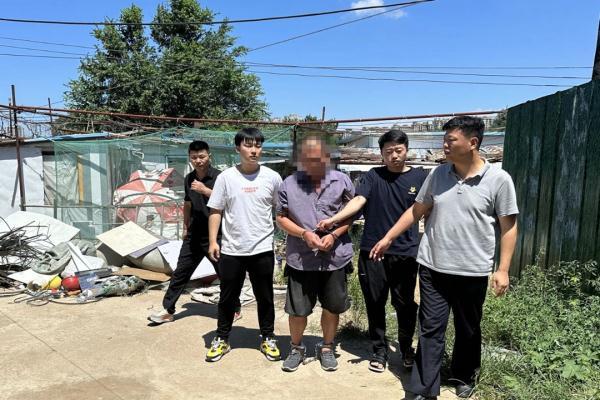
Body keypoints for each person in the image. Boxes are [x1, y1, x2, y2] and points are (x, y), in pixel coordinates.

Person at [370, 116, 518, 400]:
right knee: (430, 328)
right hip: (433, 267)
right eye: (444, 139)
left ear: (472, 143)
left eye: (451, 140)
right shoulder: (438, 175)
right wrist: (389, 237)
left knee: (468, 328)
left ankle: (463, 375)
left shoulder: (499, 180)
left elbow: (509, 227)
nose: (444, 145)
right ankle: (424, 389)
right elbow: (417, 210)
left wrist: (503, 269)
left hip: (473, 269)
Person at [317, 130, 428, 373]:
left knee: (404, 304)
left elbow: (427, 211)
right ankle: (379, 350)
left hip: (405, 252)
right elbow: (358, 201)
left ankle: (406, 348)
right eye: (388, 152)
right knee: (375, 302)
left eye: (398, 150)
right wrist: (334, 219)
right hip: (372, 252)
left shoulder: (421, 177)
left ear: (407, 150)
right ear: (381, 154)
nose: (394, 156)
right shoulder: (372, 176)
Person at [276, 136, 354, 372]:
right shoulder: (288, 184)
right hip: (301, 258)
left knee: (332, 306)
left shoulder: (342, 181)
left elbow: (350, 214)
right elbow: (281, 218)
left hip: (335, 257)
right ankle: (296, 348)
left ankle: (327, 347)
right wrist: (303, 234)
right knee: (297, 310)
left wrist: (334, 235)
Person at [205, 127, 283, 363]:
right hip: (232, 249)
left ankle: (268, 337)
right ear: (238, 148)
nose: (254, 150)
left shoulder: (272, 177)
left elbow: (281, 210)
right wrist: (213, 241)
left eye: (258, 145)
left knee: (265, 296)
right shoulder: (226, 178)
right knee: (228, 297)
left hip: (262, 248)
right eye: (248, 145)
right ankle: (221, 338)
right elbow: (216, 210)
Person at [148, 140, 240, 324]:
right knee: (180, 272)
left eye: (202, 156)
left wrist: (205, 190)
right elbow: (187, 204)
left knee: (225, 274)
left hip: (217, 235)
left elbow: (230, 202)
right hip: (194, 235)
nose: (198, 160)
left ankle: (234, 309)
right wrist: (185, 227)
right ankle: (168, 310)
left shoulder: (221, 177)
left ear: (209, 156)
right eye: (194, 157)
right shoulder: (189, 178)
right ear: (189, 158)